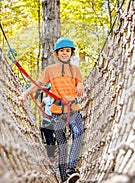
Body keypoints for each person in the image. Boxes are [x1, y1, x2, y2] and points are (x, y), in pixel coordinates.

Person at [19, 37, 84, 183]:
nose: (64, 53)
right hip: (57, 112)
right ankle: (64, 178)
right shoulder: (49, 70)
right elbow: (38, 85)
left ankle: (71, 168)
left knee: (78, 133)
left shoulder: (75, 70)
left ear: (71, 53)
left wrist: (80, 85)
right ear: (56, 53)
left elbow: (79, 83)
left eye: (67, 51)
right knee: (61, 144)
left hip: (73, 108)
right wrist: (25, 94)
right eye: (61, 51)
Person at [39, 83, 56, 167]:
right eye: (50, 90)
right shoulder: (45, 100)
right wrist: (41, 116)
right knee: (49, 140)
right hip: (46, 121)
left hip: (54, 121)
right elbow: (40, 107)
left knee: (54, 140)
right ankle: (51, 157)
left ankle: (52, 155)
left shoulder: (57, 100)